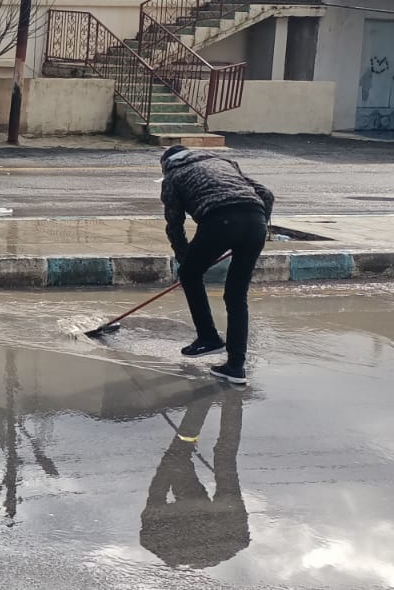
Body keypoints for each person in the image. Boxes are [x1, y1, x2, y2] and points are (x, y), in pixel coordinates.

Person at [161, 144, 274, 385]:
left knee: (190, 275)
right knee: (236, 296)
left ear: (166, 164)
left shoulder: (173, 176)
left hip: (220, 220)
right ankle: (235, 367)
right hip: (256, 222)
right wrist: (262, 225)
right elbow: (266, 194)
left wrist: (186, 262)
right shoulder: (224, 162)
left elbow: (174, 224)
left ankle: (208, 338)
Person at [140, 389, 249, 568]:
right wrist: (175, 457)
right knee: (184, 455)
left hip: (227, 527)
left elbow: (157, 493)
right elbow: (157, 490)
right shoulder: (153, 537)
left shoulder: (155, 537)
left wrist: (175, 460)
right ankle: (207, 395)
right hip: (228, 526)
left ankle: (231, 398)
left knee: (225, 460)